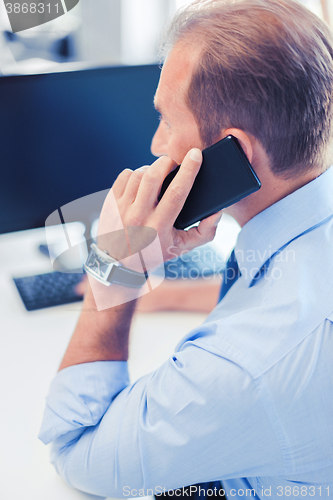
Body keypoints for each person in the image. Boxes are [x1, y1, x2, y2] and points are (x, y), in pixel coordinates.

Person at [38, 0, 333, 498]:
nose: (156, 144)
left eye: (167, 121)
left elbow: (74, 448)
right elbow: (279, 294)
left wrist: (116, 270)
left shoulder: (244, 366)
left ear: (232, 154)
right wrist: (166, 291)